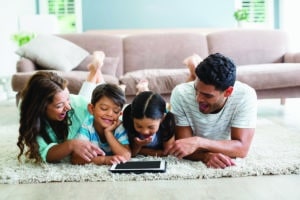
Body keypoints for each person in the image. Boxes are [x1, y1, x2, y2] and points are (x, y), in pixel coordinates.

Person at [165, 53, 257, 169]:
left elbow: (242, 149)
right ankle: (192, 68)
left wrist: (199, 142)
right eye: (196, 90)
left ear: (228, 92)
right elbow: (183, 146)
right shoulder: (180, 93)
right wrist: (206, 156)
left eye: (207, 95)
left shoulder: (245, 95)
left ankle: (193, 64)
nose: (198, 98)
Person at [17, 51, 108, 164]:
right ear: (40, 107)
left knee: (102, 97)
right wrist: (71, 144)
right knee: (83, 98)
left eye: (67, 99)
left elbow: (109, 111)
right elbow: (44, 153)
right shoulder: (31, 115)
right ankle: (94, 70)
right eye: (59, 105)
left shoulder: (78, 105)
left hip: (80, 105)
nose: (68, 107)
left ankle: (95, 70)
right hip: (78, 104)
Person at [71, 83, 131, 165]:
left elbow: (126, 156)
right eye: (104, 108)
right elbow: (76, 158)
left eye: (115, 111)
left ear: (119, 114)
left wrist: (108, 133)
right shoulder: (87, 126)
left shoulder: (119, 126)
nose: (110, 114)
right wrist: (104, 160)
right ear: (92, 109)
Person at [122, 91, 176, 157]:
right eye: (139, 126)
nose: (145, 132)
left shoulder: (168, 121)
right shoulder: (129, 121)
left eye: (151, 127)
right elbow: (131, 153)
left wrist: (142, 151)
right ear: (132, 118)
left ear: (162, 118)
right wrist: (138, 145)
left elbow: (167, 152)